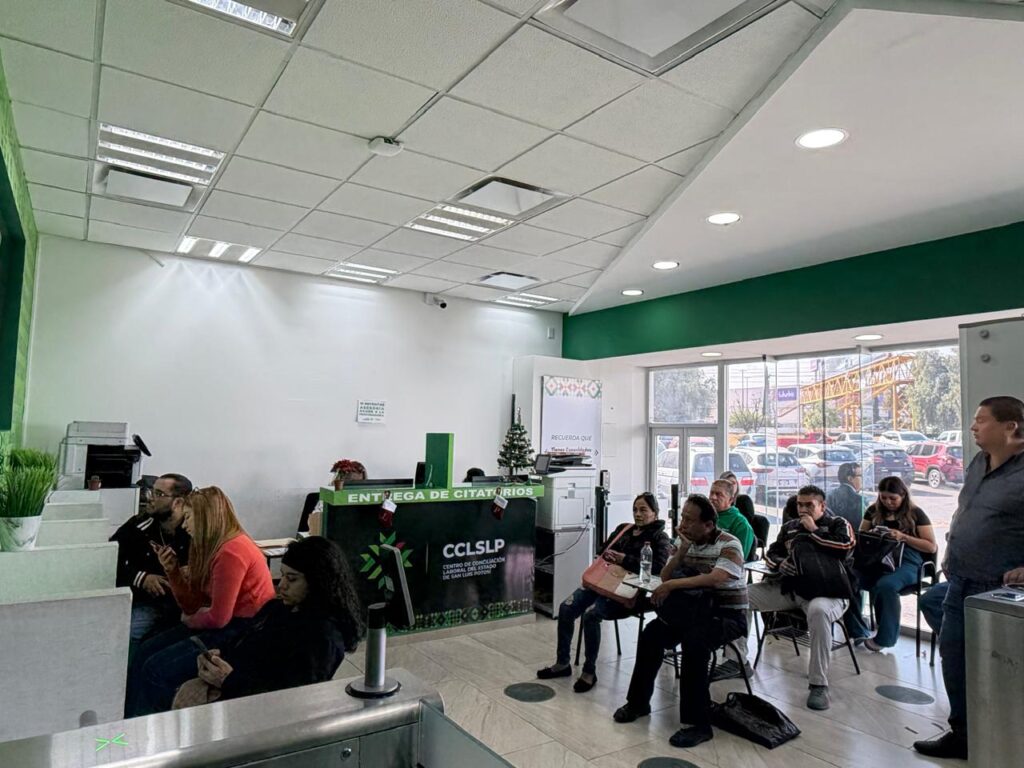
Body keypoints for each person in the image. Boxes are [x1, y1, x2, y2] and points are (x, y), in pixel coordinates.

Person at [914, 396, 1024, 760]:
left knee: (1000, 668)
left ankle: (1002, 736)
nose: (973, 426)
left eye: (982, 420)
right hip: (961, 578)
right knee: (955, 657)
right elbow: (967, 510)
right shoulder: (979, 461)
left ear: (1010, 426)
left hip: (999, 588)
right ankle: (963, 734)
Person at [611, 494, 747, 749]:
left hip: (725, 615)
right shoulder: (683, 541)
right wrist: (681, 552)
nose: (682, 524)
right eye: (682, 517)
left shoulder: (729, 544)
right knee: (651, 634)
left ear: (708, 525)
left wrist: (673, 585)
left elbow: (716, 578)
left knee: (695, 644)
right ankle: (638, 702)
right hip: (691, 610)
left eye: (689, 520)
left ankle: (699, 724)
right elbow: (665, 575)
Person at [128, 486, 276, 715]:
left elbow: (218, 618)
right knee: (144, 651)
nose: (184, 525)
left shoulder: (232, 551)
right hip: (222, 623)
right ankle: (129, 721)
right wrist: (173, 571)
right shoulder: (207, 546)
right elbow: (191, 605)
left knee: (156, 669)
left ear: (205, 518)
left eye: (188, 517)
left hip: (243, 629)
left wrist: (189, 619)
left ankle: (150, 725)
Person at [171, 537, 365, 708]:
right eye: (282, 575)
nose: (282, 585)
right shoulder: (279, 608)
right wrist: (216, 657)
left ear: (317, 583)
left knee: (164, 677)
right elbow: (246, 641)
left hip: (253, 708)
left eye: (292, 579)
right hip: (234, 688)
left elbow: (290, 699)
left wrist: (228, 680)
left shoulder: (322, 636)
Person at [537, 493, 672, 693]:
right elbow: (602, 550)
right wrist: (610, 554)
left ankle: (589, 671)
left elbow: (658, 568)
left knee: (591, 616)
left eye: (643, 510)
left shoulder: (660, 537)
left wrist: (624, 559)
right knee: (566, 608)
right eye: (635, 509)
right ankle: (562, 663)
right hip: (601, 582)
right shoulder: (624, 529)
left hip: (627, 592)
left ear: (655, 512)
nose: (638, 514)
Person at [743, 485, 856, 711]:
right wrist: (780, 564)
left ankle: (818, 683)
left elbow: (845, 547)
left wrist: (814, 530)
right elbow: (772, 553)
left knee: (818, 611)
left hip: (828, 593)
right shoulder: (790, 527)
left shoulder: (838, 524)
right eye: (799, 504)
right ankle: (737, 661)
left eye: (809, 505)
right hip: (792, 590)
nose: (803, 509)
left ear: (822, 506)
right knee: (741, 596)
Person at [851, 477, 936, 651]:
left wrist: (903, 537)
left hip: (909, 561)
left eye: (893, 498)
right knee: (849, 580)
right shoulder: (873, 511)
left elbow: (931, 546)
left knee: (887, 585)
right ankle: (857, 630)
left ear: (903, 495)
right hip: (878, 557)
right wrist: (875, 534)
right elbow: (861, 535)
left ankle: (885, 638)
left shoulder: (916, 514)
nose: (888, 502)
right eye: (883, 498)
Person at [110, 473, 193, 648]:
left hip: (184, 606)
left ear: (178, 502)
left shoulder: (193, 531)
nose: (150, 498)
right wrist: (141, 578)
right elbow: (108, 557)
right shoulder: (140, 525)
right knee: (121, 630)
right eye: (151, 491)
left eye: (159, 494)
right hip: (145, 601)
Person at [300, 459, 367, 535]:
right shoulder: (328, 496)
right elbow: (317, 522)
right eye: (352, 482)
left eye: (359, 483)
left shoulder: (365, 498)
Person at [708, 480, 755, 560]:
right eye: (711, 493)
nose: (713, 497)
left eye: (718, 494)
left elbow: (739, 558)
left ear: (731, 499)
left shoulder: (741, 524)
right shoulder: (704, 516)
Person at [826, 462, 865, 530]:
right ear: (850, 478)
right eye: (860, 476)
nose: (862, 479)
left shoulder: (829, 495)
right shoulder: (859, 499)